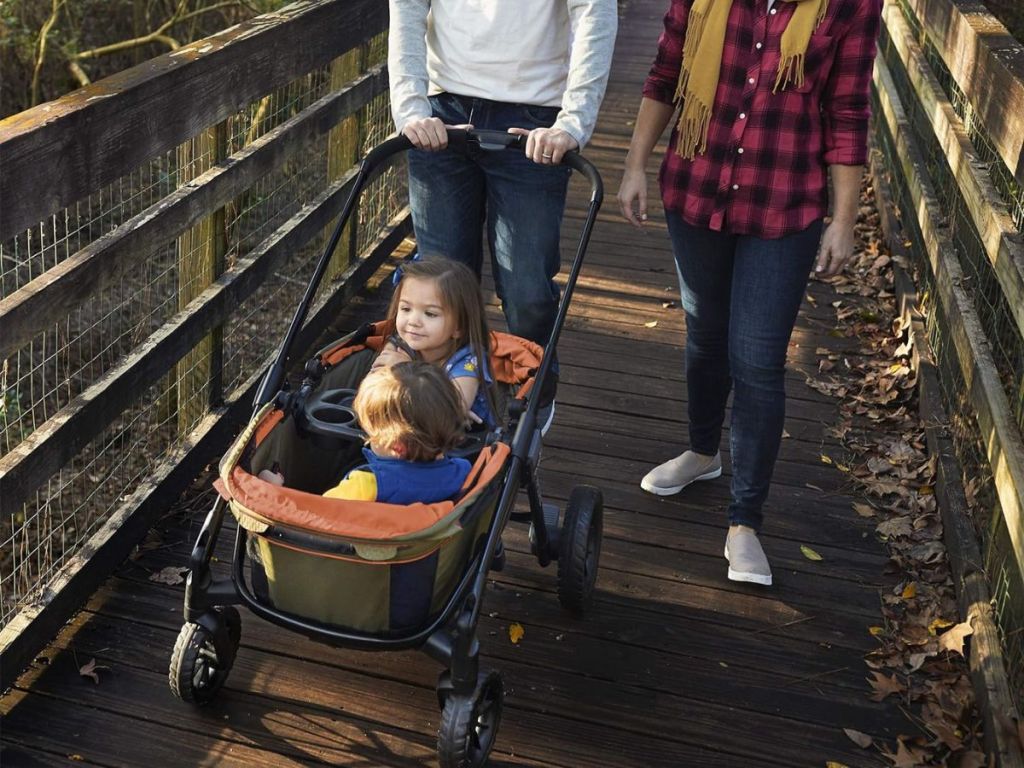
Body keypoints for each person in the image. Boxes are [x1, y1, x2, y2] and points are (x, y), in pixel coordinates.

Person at [617, 0, 882, 586]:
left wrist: (843, 220)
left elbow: (847, 109)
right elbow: (665, 72)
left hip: (785, 201)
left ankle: (745, 521)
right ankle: (703, 451)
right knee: (705, 337)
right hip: (696, 185)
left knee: (758, 361)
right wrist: (635, 164)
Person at [387, 0, 618, 434]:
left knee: (527, 287)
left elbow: (595, 15)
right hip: (442, 114)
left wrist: (572, 123)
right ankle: (437, 401)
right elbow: (408, 9)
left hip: (533, 122)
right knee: (440, 285)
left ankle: (535, 394)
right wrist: (412, 109)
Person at [373, 256, 498, 430]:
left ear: (459, 326)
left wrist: (405, 370)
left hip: (456, 449)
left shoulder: (468, 362)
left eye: (430, 314)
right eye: (406, 309)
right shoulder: (401, 344)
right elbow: (373, 388)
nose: (413, 321)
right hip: (403, 435)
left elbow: (451, 412)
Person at [322, 362, 472, 503]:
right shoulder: (462, 472)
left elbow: (320, 512)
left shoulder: (364, 485)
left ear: (397, 447)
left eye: (371, 434)